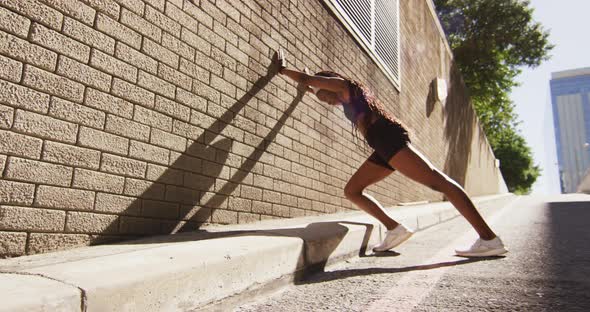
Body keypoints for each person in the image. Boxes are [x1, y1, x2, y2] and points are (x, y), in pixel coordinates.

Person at [275, 51, 507, 257]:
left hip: (387, 138)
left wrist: (283, 70)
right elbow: (308, 85)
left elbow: (307, 81)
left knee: (439, 182)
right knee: (353, 191)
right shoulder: (344, 99)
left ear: (327, 84)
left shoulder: (345, 87)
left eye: (324, 97)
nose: (326, 102)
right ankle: (395, 229)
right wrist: (308, 86)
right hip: (381, 145)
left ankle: (489, 239)